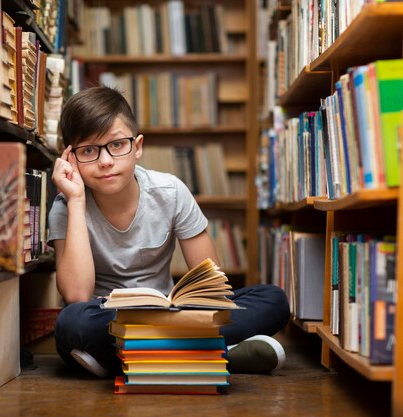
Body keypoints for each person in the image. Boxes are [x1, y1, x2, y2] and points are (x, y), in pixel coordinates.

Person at [47, 86, 290, 378]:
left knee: (273, 299)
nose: (106, 161)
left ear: (137, 146)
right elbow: (76, 294)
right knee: (71, 323)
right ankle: (214, 354)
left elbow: (212, 285)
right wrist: (75, 199)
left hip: (168, 312)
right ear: (70, 159)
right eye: (88, 151)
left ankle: (124, 360)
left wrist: (187, 313)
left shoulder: (170, 191)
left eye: (117, 145)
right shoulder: (66, 205)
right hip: (106, 317)